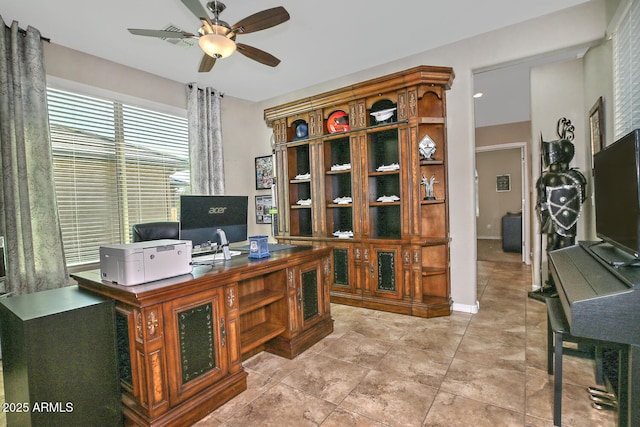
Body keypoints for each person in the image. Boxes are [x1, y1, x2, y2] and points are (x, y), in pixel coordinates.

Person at [533, 131, 587, 297]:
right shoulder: (544, 178)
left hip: (566, 220)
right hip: (550, 218)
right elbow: (541, 201)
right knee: (551, 249)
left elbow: (580, 199)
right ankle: (551, 283)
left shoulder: (575, 176)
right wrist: (543, 210)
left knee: (566, 251)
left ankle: (563, 286)